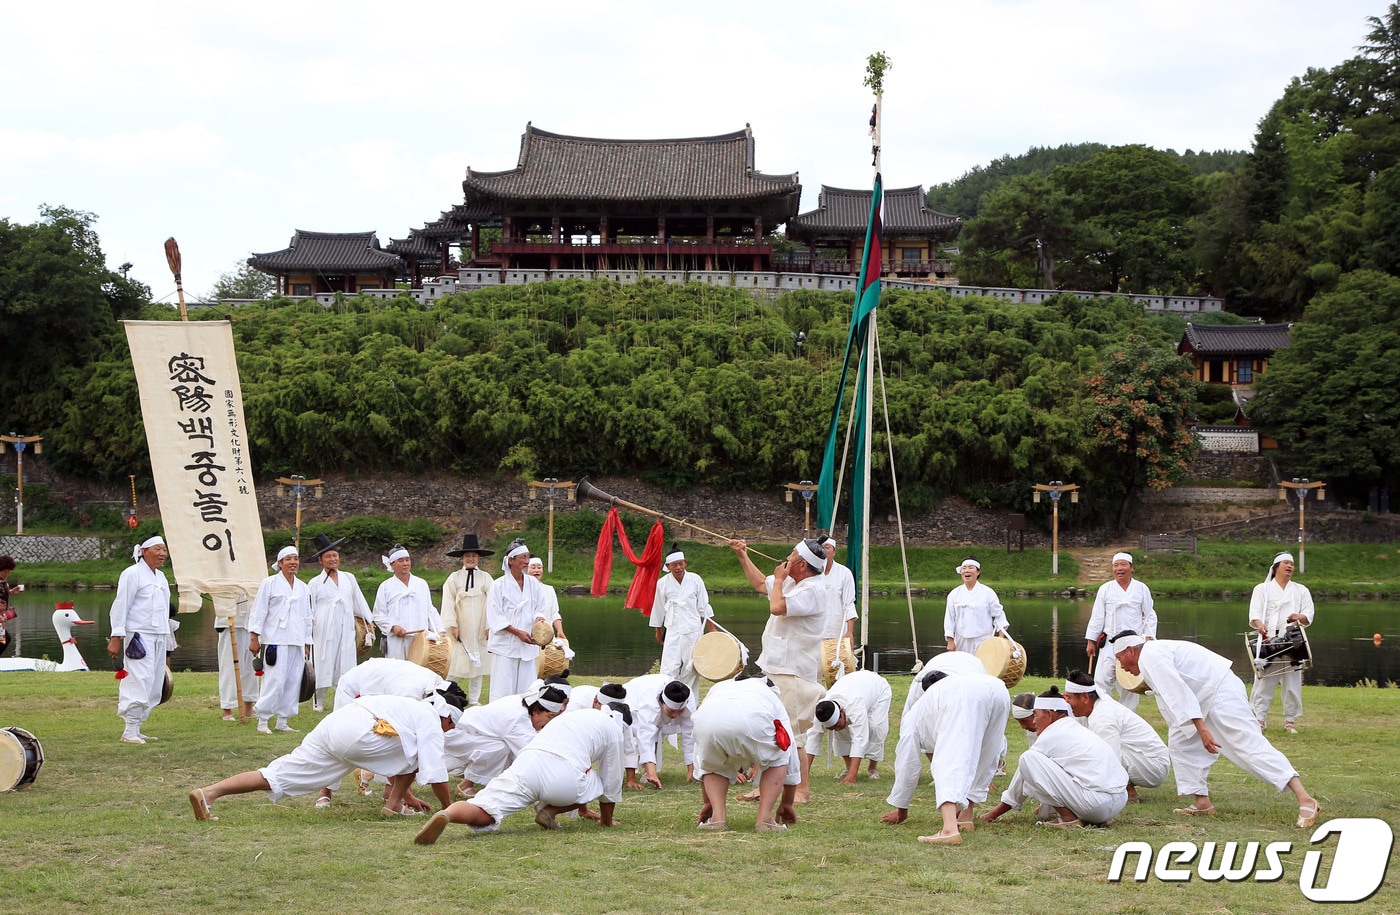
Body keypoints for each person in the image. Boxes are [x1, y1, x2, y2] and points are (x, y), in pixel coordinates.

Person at [1111, 630, 1320, 827]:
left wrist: (1202, 730)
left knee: (1246, 745)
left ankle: (1306, 799)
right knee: (1180, 742)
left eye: (1120, 659)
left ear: (1131, 650)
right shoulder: (1152, 653)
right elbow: (1174, 697)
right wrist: (1197, 727)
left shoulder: (1151, 655)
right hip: (1203, 696)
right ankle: (1202, 802)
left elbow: (1178, 693)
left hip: (1220, 692)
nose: (1123, 667)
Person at [189, 687, 464, 821]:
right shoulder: (429, 717)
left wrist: (408, 795)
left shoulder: (405, 705)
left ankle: (209, 793)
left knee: (277, 775)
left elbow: (400, 757)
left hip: (334, 727)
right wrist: (449, 809)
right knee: (422, 750)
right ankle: (392, 806)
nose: (448, 731)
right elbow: (434, 770)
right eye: (450, 726)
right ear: (446, 716)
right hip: (359, 731)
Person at [414, 703, 628, 842]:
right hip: (564, 778)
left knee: (484, 808)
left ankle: (448, 814)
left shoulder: (575, 715)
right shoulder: (614, 730)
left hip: (528, 762)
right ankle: (550, 811)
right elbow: (611, 783)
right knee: (599, 782)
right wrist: (607, 821)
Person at [729, 537, 830, 804]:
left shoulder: (813, 590)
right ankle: (766, 785)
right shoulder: (794, 581)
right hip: (777, 664)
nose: (787, 558)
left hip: (794, 670)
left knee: (793, 731)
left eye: (792, 555)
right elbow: (762, 584)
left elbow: (776, 606)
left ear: (802, 565)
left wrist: (779, 577)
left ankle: (801, 790)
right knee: (773, 728)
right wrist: (743, 555)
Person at [882, 667, 1009, 846]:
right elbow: (992, 748)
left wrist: (901, 809)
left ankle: (949, 829)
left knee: (947, 760)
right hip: (999, 689)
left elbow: (907, 763)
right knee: (983, 752)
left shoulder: (916, 713)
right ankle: (966, 818)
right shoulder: (949, 688)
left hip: (968, 693)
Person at [979, 686, 1129, 829]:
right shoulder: (1073, 727)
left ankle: (1069, 819)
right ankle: (1092, 818)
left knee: (1028, 759)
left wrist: (994, 813)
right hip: (1119, 801)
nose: (1034, 721)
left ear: (1049, 715)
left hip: (1097, 805)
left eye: (1036, 715)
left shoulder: (1052, 733)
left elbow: (1025, 773)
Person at [317, 660, 455, 807]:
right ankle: (325, 792)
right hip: (355, 687)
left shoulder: (436, 690)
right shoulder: (410, 695)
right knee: (337, 742)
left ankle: (390, 793)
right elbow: (396, 740)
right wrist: (409, 797)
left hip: (378, 690)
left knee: (402, 745)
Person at [691, 676, 800, 833]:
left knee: (714, 764)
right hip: (754, 720)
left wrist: (708, 802)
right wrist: (787, 802)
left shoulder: (717, 689)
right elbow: (788, 749)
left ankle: (717, 817)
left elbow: (703, 760)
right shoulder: (770, 696)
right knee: (777, 759)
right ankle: (765, 819)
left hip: (706, 722)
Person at [446, 678, 569, 798]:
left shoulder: (528, 702)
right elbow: (533, 751)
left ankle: (476, 778)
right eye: (550, 717)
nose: (550, 722)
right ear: (537, 711)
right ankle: (466, 785)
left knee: (504, 747)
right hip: (456, 733)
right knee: (501, 748)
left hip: (474, 733)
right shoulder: (517, 720)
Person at [1064, 669, 1169, 802]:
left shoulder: (1103, 715)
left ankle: (1127, 792)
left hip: (1155, 766)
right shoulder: (1092, 708)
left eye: (1070, 698)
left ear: (1085, 697)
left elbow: (1110, 758)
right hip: (1144, 759)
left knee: (1102, 754)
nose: (1067, 702)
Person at [108, 535, 174, 744]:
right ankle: (129, 730)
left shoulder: (161, 577)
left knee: (155, 682)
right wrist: (116, 636)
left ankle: (137, 727)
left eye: (164, 549)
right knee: (138, 679)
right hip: (139, 635)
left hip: (158, 634)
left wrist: (169, 637)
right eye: (157, 549)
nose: (162, 553)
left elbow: (164, 609)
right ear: (144, 551)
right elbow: (121, 606)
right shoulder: (132, 574)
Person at [1248, 551, 1315, 733]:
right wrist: (1260, 625)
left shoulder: (1301, 590)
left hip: (1293, 640)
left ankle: (1290, 721)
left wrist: (1298, 616)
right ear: (1276, 566)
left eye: (1292, 564)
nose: (1290, 567)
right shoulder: (1262, 589)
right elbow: (1254, 613)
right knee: (1264, 682)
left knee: (1292, 683)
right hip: (1269, 640)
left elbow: (1308, 614)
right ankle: (1260, 719)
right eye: (1286, 563)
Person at [249, 546, 313, 735]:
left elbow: (307, 616)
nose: (293, 562)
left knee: (293, 680)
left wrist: (307, 642)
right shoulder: (269, 583)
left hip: (296, 639)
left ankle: (283, 720)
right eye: (288, 559)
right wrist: (255, 637)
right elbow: (259, 611)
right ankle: (263, 720)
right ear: (280, 563)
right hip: (275, 639)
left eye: (295, 559)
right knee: (274, 680)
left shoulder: (303, 587)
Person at [306, 533, 373, 712]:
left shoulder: (349, 578)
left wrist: (369, 622)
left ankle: (344, 700)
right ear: (321, 560)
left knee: (346, 661)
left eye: (335, 555)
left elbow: (358, 601)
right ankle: (318, 701)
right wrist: (308, 628)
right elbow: (308, 609)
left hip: (345, 625)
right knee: (323, 661)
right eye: (328, 556)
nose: (333, 559)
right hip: (323, 628)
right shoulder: (314, 583)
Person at [1085, 552, 1157, 710]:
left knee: (1129, 682)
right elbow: (1097, 616)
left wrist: (1148, 637)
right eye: (1116, 565)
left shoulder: (1141, 588)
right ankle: (1104, 712)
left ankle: (1127, 716)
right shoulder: (1105, 589)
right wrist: (1091, 640)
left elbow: (1150, 614)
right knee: (1102, 679)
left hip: (1133, 643)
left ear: (1131, 568)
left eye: (1123, 565)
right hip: (1110, 641)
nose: (1119, 569)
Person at [648, 545, 716, 697]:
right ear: (668, 566)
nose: (678, 567)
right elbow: (658, 607)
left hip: (693, 630)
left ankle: (689, 702)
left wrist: (711, 629)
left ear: (685, 562)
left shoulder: (695, 579)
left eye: (681, 563)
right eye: (674, 565)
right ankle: (666, 700)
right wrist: (658, 630)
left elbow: (704, 605)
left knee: (690, 668)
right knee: (668, 668)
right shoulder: (663, 583)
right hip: (673, 629)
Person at [485, 540, 548, 700]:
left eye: (528, 557)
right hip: (506, 644)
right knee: (503, 688)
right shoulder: (498, 585)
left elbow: (540, 606)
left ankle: (525, 719)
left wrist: (539, 618)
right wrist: (517, 632)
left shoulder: (533, 584)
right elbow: (495, 616)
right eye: (523, 557)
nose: (527, 561)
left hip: (528, 642)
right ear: (511, 560)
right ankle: (500, 720)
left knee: (527, 689)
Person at [803, 669, 892, 783]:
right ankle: (849, 768)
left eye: (836, 724)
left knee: (874, 727)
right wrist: (805, 773)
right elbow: (812, 738)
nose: (836, 729)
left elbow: (859, 739)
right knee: (841, 731)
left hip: (878, 690)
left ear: (842, 712)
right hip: (853, 687)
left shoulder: (855, 707)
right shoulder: (821, 710)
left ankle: (872, 768)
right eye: (832, 728)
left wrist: (852, 778)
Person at [439, 533, 495, 706]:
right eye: (467, 556)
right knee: (456, 662)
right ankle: (443, 693)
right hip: (461, 626)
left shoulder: (486, 578)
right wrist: (451, 625)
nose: (471, 559)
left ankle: (475, 699)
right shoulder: (454, 578)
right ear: (462, 558)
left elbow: (493, 603)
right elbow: (448, 602)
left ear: (479, 558)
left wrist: (489, 625)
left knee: (478, 664)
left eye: (474, 556)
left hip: (479, 626)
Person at [620, 675, 695, 789]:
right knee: (637, 737)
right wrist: (652, 773)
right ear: (662, 703)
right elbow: (646, 736)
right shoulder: (650, 704)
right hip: (632, 702)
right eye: (671, 711)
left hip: (652, 698)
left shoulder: (687, 696)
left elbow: (690, 734)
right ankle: (645, 772)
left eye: (680, 711)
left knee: (657, 731)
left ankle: (649, 771)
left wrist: (692, 770)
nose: (675, 715)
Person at [372, 544, 443, 662]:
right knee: (397, 674)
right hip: (396, 641)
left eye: (407, 560)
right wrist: (393, 627)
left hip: (420, 639)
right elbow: (378, 614)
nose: (405, 563)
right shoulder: (385, 587)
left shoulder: (421, 584)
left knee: (419, 673)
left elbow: (430, 610)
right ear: (392, 564)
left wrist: (440, 630)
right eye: (401, 560)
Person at [943, 558, 1009, 654]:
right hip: (961, 640)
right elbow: (949, 618)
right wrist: (950, 641)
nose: (967, 570)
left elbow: (999, 615)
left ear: (978, 572)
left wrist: (1000, 640)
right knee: (962, 666)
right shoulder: (954, 594)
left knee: (983, 666)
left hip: (983, 640)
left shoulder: (987, 592)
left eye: (971, 567)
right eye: (964, 568)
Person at [214, 594, 257, 722]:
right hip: (229, 620)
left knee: (250, 667)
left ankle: (248, 708)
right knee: (229, 666)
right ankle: (227, 709)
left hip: (250, 622)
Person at [527, 556, 566, 640]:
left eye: (539, 567)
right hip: (527, 637)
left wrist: (560, 630)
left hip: (546, 637)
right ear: (527, 570)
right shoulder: (522, 590)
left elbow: (554, 613)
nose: (536, 570)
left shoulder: (549, 590)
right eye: (533, 567)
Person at [0, 555, 25, 657]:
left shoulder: (3, 582)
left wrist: (10, 592)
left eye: (9, 572)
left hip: (1, 617)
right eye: (5, 571)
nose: (7, 574)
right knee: (4, 639)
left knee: (3, 639)